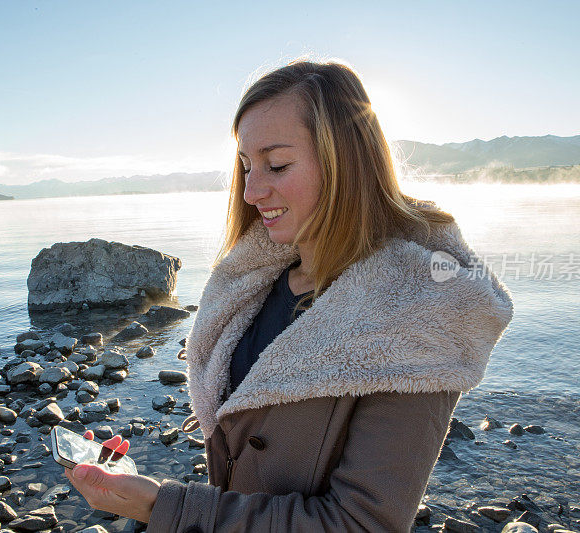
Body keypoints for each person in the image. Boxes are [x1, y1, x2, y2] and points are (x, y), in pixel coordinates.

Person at [63, 58, 515, 532]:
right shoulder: (251, 286)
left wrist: (163, 509)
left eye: (276, 164)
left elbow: (364, 524)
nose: (252, 190)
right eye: (245, 166)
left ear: (346, 163)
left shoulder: (420, 314)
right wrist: (139, 490)